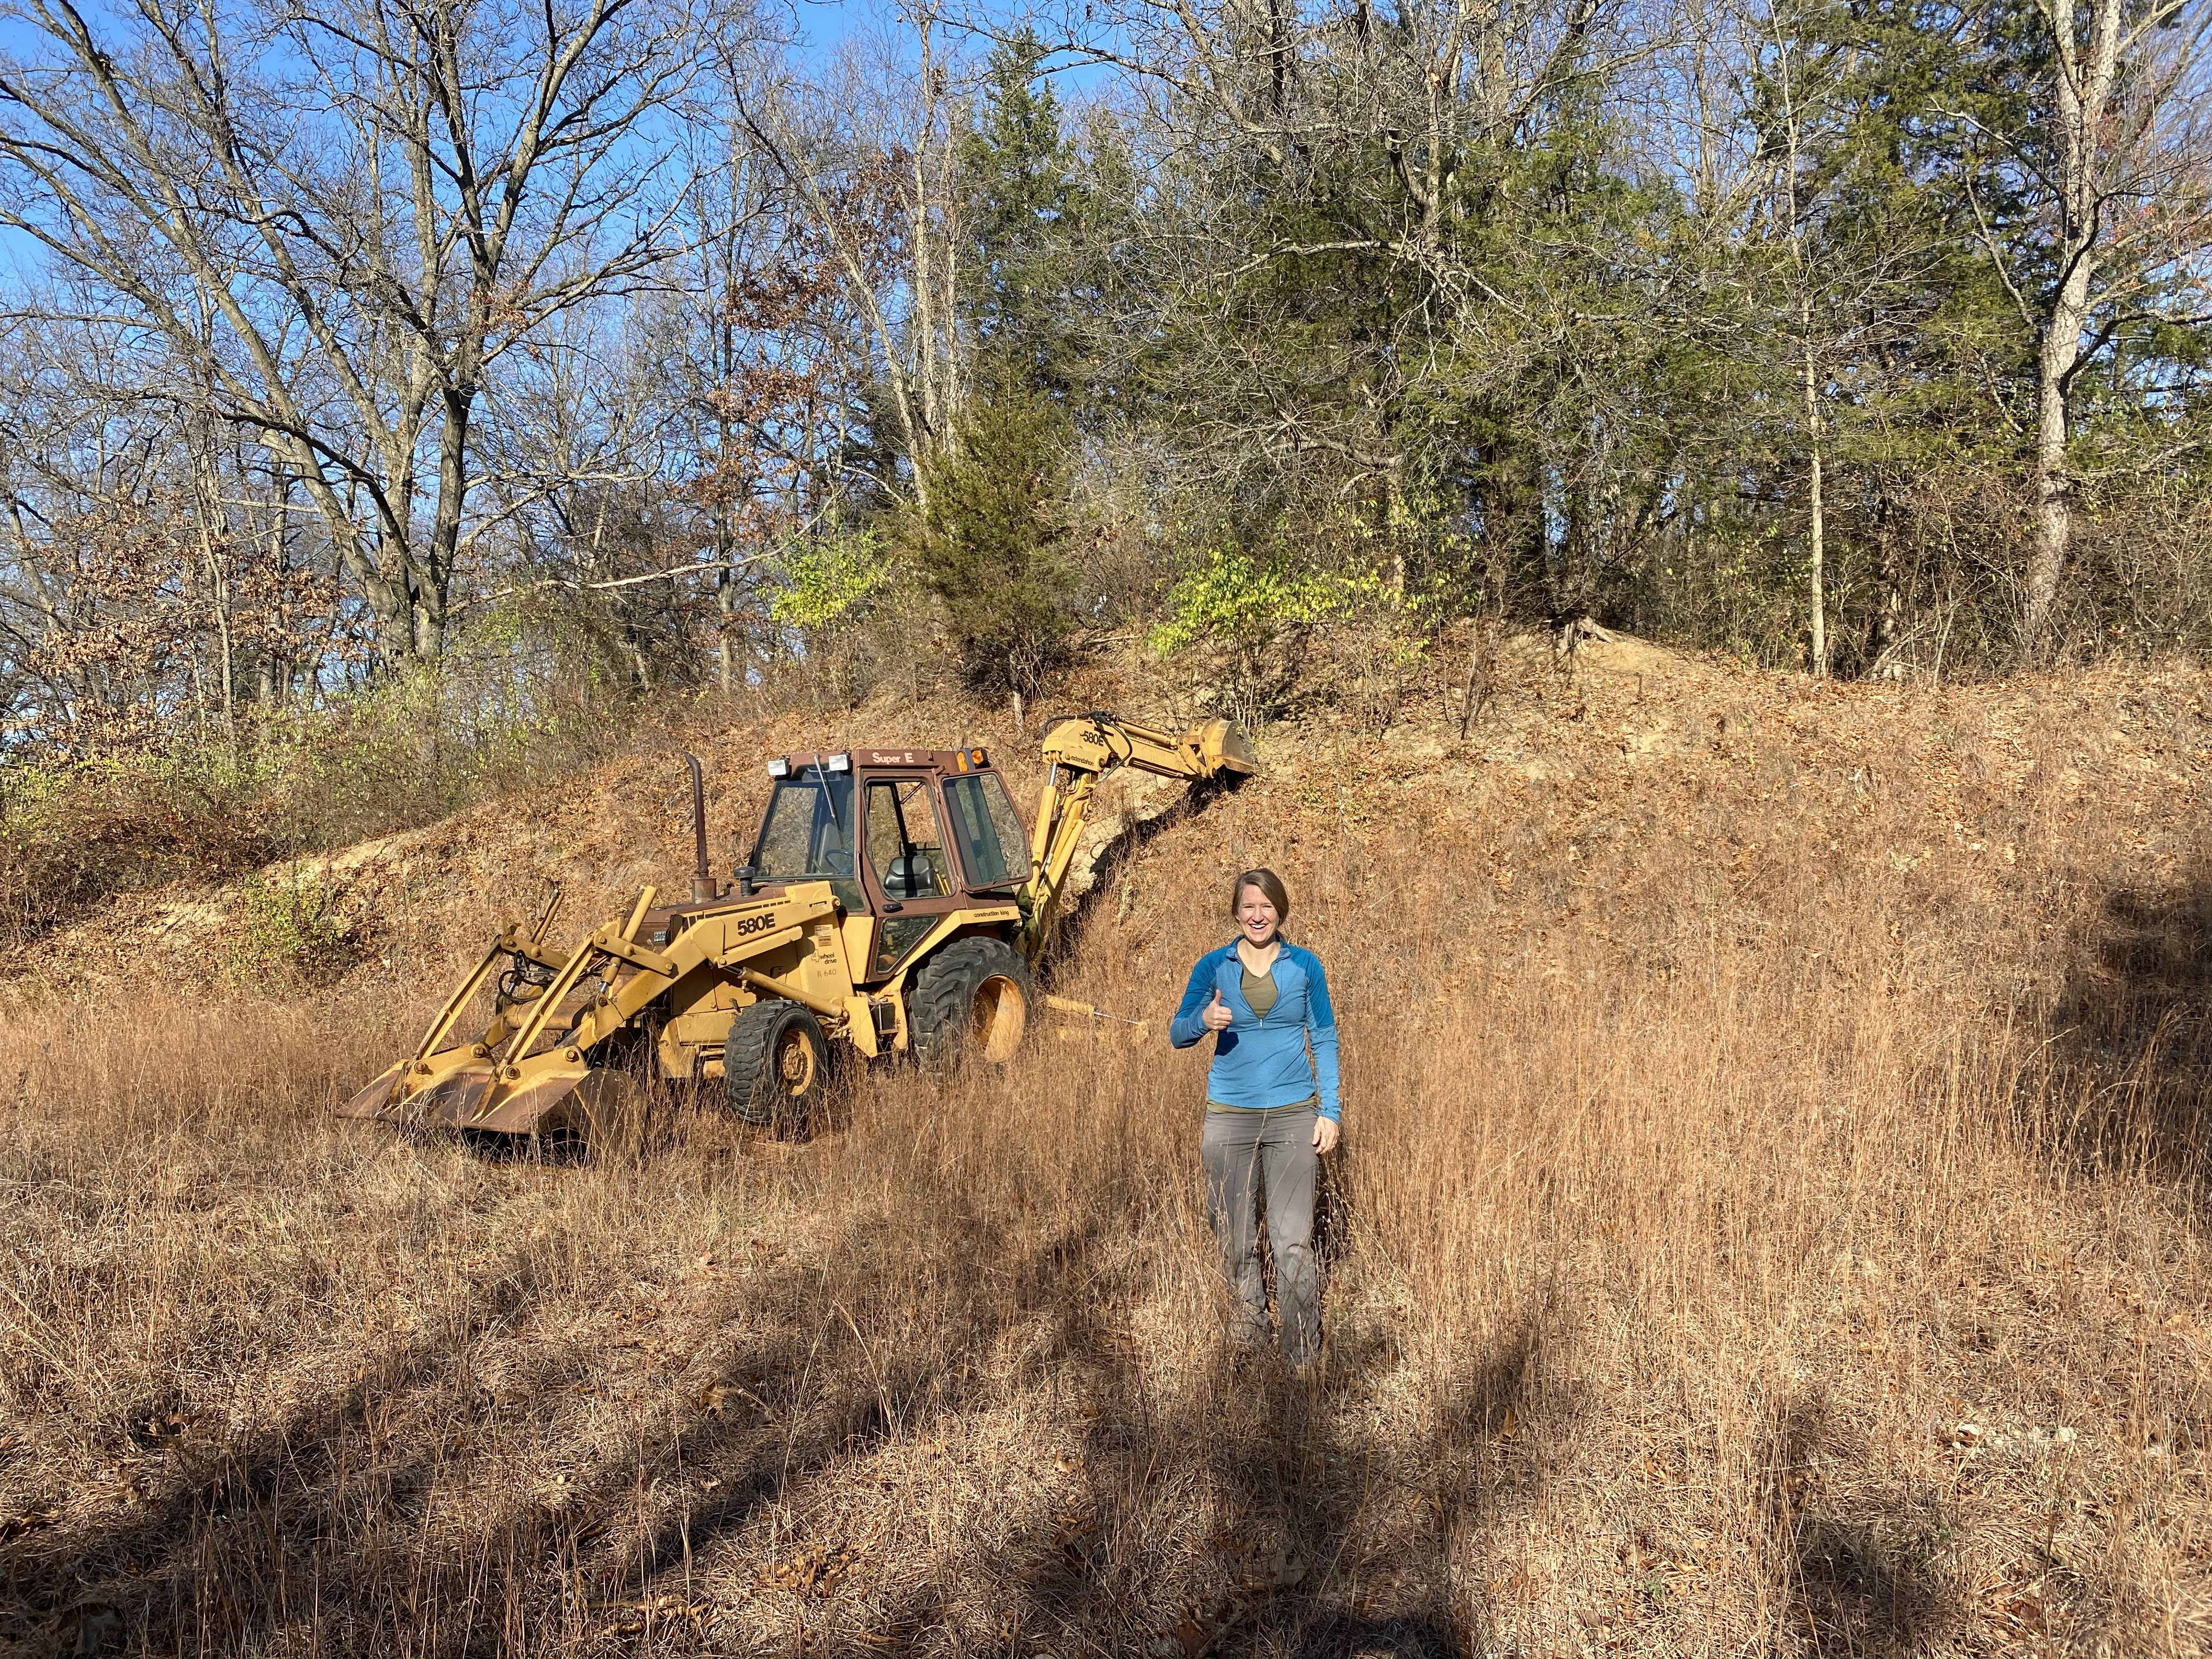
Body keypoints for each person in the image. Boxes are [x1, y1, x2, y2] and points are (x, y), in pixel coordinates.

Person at [1169, 868, 1340, 1372]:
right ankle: (1248, 1331)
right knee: (1235, 1234)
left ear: (1280, 910)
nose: (1257, 915)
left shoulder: (1305, 966)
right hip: (1229, 1120)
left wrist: (1328, 1111)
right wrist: (1203, 1022)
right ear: (1236, 912)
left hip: (1292, 1116)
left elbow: (1325, 1038)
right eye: (1248, 906)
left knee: (1292, 1239)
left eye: (1266, 906)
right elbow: (1177, 1033)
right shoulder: (1213, 968)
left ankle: (1302, 1350)